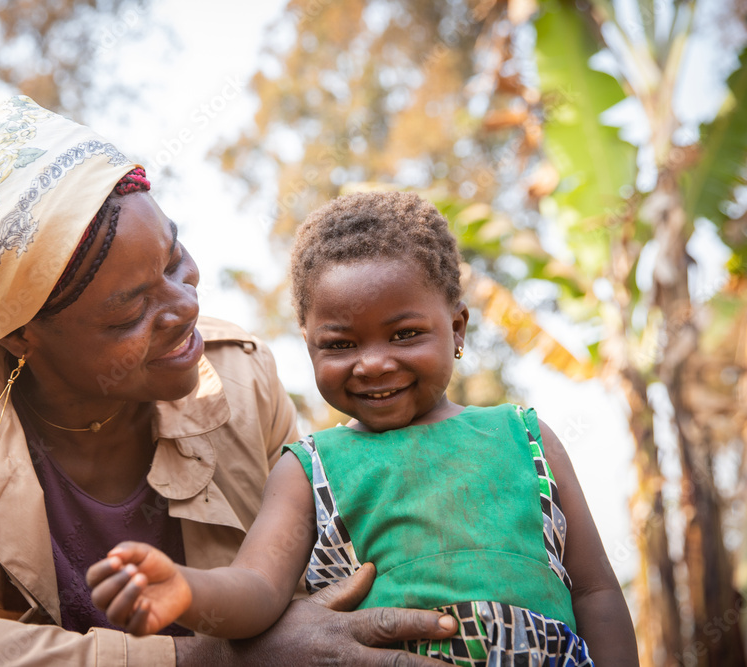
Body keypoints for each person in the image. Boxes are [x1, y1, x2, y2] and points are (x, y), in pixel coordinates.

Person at [0, 97, 461, 666]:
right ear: (21, 334)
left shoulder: (237, 378)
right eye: (131, 309)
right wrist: (208, 657)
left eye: (175, 259)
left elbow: (330, 590)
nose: (185, 309)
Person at [87, 191, 641, 665]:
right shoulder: (307, 468)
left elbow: (595, 592)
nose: (372, 363)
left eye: (403, 334)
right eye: (341, 344)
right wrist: (186, 589)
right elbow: (257, 590)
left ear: (456, 327)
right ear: (309, 348)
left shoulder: (527, 437)